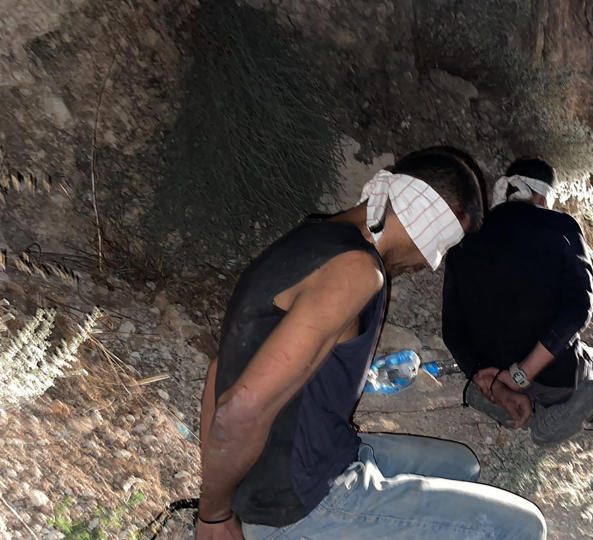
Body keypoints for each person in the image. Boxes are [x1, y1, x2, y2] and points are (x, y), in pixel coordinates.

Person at [196, 148, 547, 540]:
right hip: (303, 502)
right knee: (523, 527)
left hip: (318, 456)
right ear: (421, 220)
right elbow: (242, 406)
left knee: (462, 466)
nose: (431, 264)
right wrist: (213, 514)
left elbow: (218, 370)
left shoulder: (312, 236)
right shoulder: (356, 272)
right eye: (441, 247)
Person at [442, 157, 593, 445]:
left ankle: (502, 400)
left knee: (505, 382)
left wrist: (482, 375)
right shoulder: (562, 226)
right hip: (551, 379)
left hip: (493, 376)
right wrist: (522, 374)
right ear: (542, 195)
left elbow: (452, 330)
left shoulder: (466, 237)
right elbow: (578, 309)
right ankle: (586, 413)